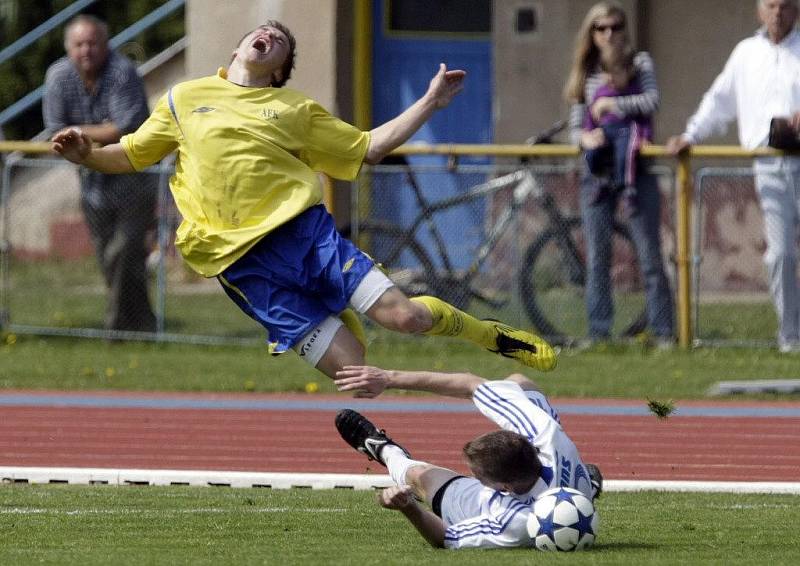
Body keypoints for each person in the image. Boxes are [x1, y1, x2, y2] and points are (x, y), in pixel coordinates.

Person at [50, 20, 557, 378]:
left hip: (306, 239)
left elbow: (370, 147)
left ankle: (488, 335)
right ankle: (341, 313)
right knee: (356, 370)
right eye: (264, 31)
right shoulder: (184, 98)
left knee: (409, 319)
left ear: (278, 69)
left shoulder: (292, 108)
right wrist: (86, 154)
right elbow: (132, 154)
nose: (269, 36)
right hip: (243, 266)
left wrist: (430, 101)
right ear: (238, 48)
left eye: (282, 43)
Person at [333, 365, 602, 549]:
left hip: (482, 506)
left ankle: (381, 447)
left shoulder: (517, 522)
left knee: (419, 477)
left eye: (478, 475)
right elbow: (471, 384)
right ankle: (586, 484)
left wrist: (408, 507)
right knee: (518, 381)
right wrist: (388, 377)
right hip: (560, 477)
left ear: (503, 487)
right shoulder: (544, 432)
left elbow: (446, 537)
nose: (473, 474)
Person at [667, 0, 800, 354]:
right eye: (771, 5)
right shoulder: (746, 54)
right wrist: (691, 134)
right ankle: (791, 338)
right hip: (768, 165)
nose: (778, 13)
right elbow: (718, 100)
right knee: (780, 254)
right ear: (760, 10)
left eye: (786, 6)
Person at [564, 1, 674, 345]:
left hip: (636, 172)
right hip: (597, 173)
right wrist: (584, 136)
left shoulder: (640, 63)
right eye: (601, 28)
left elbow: (652, 101)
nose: (609, 34)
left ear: (625, 30)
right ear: (592, 34)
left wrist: (614, 104)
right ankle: (599, 334)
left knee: (650, 254)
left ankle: (664, 333)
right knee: (597, 258)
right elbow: (574, 127)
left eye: (615, 26)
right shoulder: (586, 71)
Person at [43, 15, 157, 332]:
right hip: (93, 185)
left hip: (133, 178)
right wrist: (85, 137)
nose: (86, 51)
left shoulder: (123, 72)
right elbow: (54, 130)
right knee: (112, 259)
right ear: (69, 48)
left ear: (106, 45)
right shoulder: (58, 75)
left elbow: (124, 128)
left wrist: (77, 135)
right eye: (79, 44)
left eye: (93, 43)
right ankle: (143, 325)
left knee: (124, 251)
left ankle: (115, 326)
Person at [583, 47, 654, 218]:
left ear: (628, 72)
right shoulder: (600, 93)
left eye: (616, 73)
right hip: (606, 132)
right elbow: (591, 117)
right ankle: (601, 180)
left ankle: (627, 189)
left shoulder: (634, 91)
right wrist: (590, 133)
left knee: (624, 155)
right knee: (592, 154)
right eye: (607, 73)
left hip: (626, 130)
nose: (611, 79)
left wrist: (646, 137)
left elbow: (645, 118)